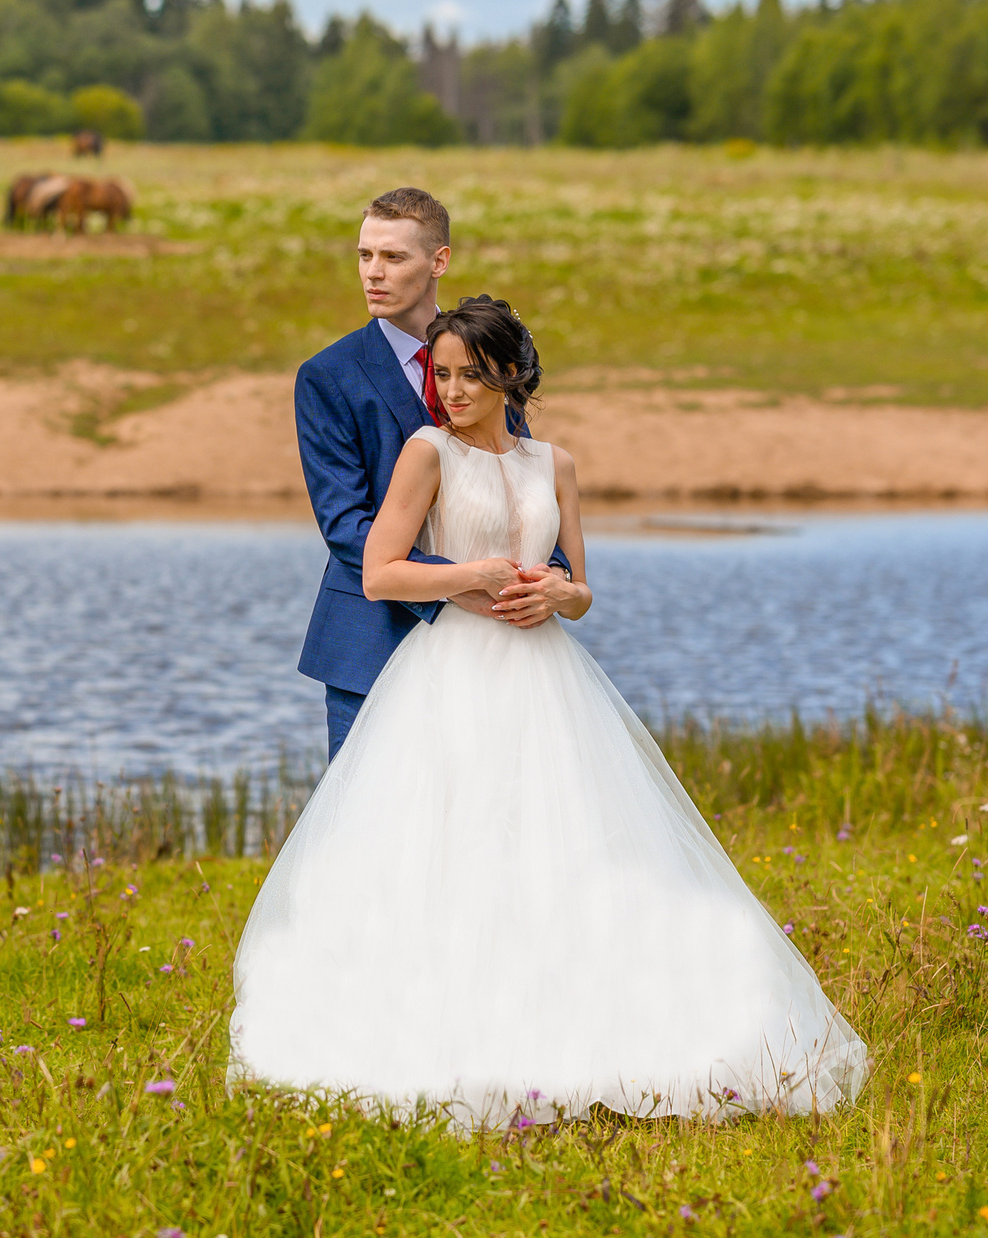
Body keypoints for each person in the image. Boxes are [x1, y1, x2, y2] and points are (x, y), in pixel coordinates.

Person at [233, 297, 869, 1123]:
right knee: (453, 842)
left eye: (469, 376)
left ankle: (587, 1022)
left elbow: (582, 588)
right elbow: (381, 572)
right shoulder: (427, 453)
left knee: (565, 842)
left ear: (510, 376)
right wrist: (471, 576)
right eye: (442, 374)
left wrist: (558, 592)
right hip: (451, 672)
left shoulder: (554, 464)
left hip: (548, 678)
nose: (451, 392)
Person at [294, 187, 578, 758]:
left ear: (439, 261)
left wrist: (550, 582)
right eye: (364, 255)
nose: (373, 273)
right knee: (374, 833)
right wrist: (462, 582)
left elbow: (519, 487)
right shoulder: (328, 376)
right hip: (370, 642)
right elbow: (347, 524)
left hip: (493, 650)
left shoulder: (490, 363)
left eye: (393, 257)